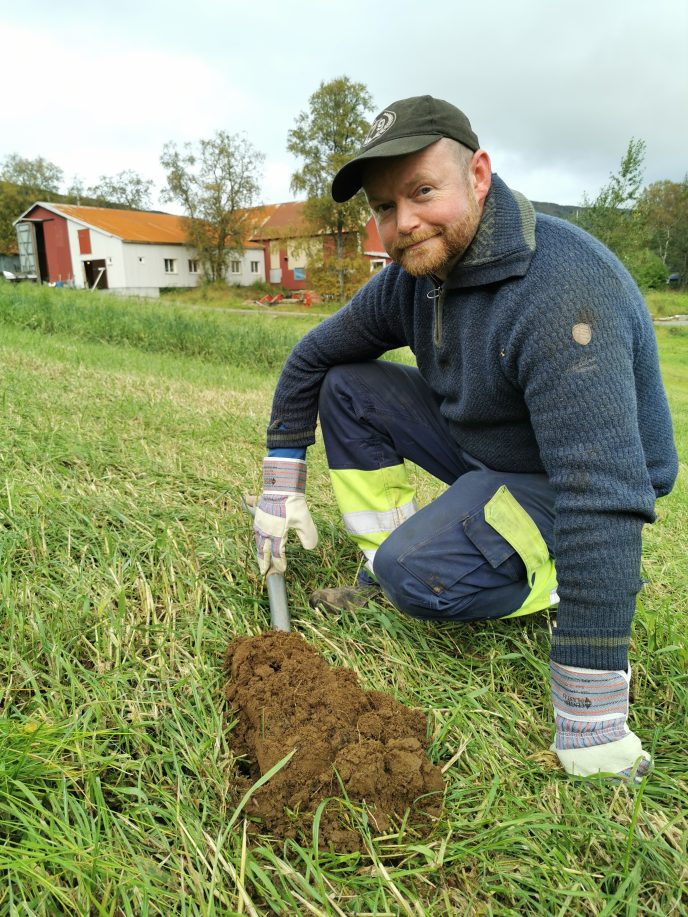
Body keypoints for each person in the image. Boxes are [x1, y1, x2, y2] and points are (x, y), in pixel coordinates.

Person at [252, 96, 678, 781]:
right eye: (386, 207)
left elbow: (605, 493)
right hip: (490, 441)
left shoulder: (560, 292)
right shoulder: (414, 277)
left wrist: (592, 709)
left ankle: (554, 578)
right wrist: (281, 479)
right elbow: (312, 356)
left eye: (422, 191)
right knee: (349, 385)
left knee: (417, 576)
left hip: (566, 478)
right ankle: (380, 556)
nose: (404, 221)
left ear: (478, 175)